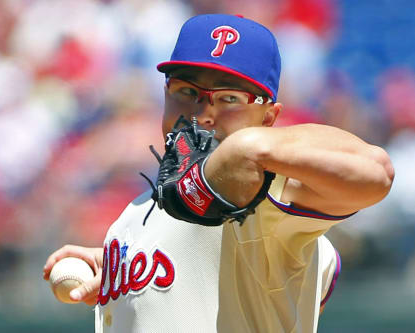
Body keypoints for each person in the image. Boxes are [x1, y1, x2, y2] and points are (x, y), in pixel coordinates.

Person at [43, 14, 394, 332]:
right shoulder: (135, 213)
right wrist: (134, 260)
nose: (203, 113)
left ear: (269, 117)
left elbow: (374, 171)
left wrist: (250, 147)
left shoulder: (266, 192)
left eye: (229, 98)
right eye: (187, 91)